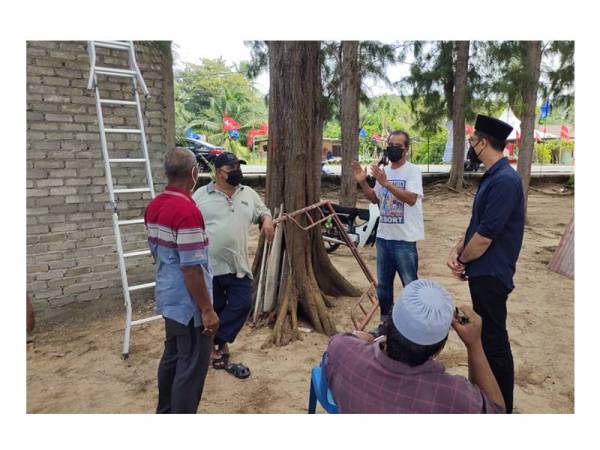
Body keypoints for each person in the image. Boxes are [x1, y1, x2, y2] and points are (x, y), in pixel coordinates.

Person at [325, 279, 506, 413]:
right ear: (439, 348)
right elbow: (496, 410)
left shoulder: (342, 350)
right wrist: (474, 345)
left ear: (389, 323)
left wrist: (372, 338)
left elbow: (353, 338)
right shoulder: (453, 396)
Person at [447, 114, 525, 414]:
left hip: (492, 274)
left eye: (472, 141)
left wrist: (463, 260)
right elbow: (476, 225)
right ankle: (488, 398)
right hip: (482, 270)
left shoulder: (505, 181)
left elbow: (485, 237)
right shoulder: (493, 176)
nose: (471, 146)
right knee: (488, 336)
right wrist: (458, 250)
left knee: (494, 341)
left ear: (483, 142)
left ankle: (501, 406)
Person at [144, 147, 220, 414]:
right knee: (190, 368)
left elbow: (158, 254)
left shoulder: (154, 205)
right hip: (189, 307)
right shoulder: (187, 211)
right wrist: (207, 309)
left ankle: (164, 412)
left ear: (167, 173)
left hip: (168, 297)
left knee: (173, 356)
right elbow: (191, 269)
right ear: (193, 173)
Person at [193, 152, 274, 378]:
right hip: (209, 267)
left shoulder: (247, 193)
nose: (237, 172)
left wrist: (267, 220)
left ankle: (212, 342)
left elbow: (263, 211)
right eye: (232, 168)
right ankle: (219, 348)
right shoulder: (201, 195)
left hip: (238, 265)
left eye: (239, 167)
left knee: (242, 304)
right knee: (215, 308)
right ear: (218, 173)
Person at [351, 131, 424, 336]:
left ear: (406, 149)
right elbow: (375, 199)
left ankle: (414, 328)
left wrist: (386, 184)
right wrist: (363, 181)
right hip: (384, 238)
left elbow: (410, 199)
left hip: (404, 240)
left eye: (397, 145)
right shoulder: (384, 171)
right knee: (384, 287)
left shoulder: (412, 171)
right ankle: (385, 325)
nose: (392, 148)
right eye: (390, 144)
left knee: (410, 285)